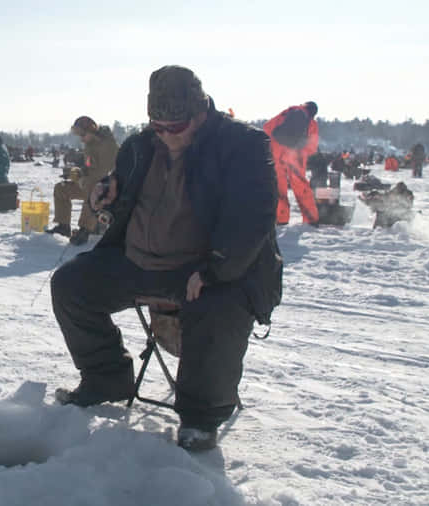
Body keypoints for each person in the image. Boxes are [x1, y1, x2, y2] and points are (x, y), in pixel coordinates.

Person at [50, 65, 281, 452]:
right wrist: (105, 194)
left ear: (200, 112)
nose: (166, 135)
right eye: (158, 126)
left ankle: (201, 415)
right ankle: (106, 375)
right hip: (137, 261)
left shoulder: (242, 145)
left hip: (204, 267)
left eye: (175, 127)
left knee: (220, 305)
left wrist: (214, 268)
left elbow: (251, 218)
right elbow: (124, 194)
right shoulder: (141, 146)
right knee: (71, 285)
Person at [46, 116, 118, 245]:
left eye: (82, 134)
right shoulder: (89, 146)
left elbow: (103, 175)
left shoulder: (108, 146)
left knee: (92, 188)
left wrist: (82, 179)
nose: (81, 139)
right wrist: (79, 171)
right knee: (61, 188)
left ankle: (85, 230)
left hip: (106, 190)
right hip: (88, 183)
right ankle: (63, 226)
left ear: (91, 131)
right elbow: (89, 167)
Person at [264, 101, 320, 225]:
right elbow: (312, 148)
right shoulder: (312, 124)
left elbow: (267, 128)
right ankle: (310, 219)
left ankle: (281, 218)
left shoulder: (286, 113)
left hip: (277, 154)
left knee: (279, 188)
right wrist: (301, 151)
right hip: (296, 156)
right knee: (301, 187)